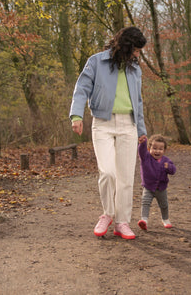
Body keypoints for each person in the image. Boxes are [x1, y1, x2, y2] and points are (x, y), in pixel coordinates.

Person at [70, 26, 147, 240]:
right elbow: (81, 88)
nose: (138, 55)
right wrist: (76, 116)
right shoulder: (96, 62)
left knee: (125, 178)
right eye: (137, 50)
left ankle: (122, 222)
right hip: (102, 123)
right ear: (126, 46)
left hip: (128, 126)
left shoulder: (135, 69)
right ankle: (107, 214)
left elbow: (138, 101)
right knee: (107, 172)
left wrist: (141, 130)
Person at [137, 134, 177, 230]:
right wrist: (142, 143)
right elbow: (141, 151)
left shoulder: (166, 160)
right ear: (149, 148)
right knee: (145, 203)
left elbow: (173, 171)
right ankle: (144, 220)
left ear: (164, 150)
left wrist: (169, 167)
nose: (157, 151)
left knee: (164, 205)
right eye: (154, 148)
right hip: (148, 187)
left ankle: (165, 219)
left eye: (160, 149)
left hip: (161, 188)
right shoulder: (145, 158)